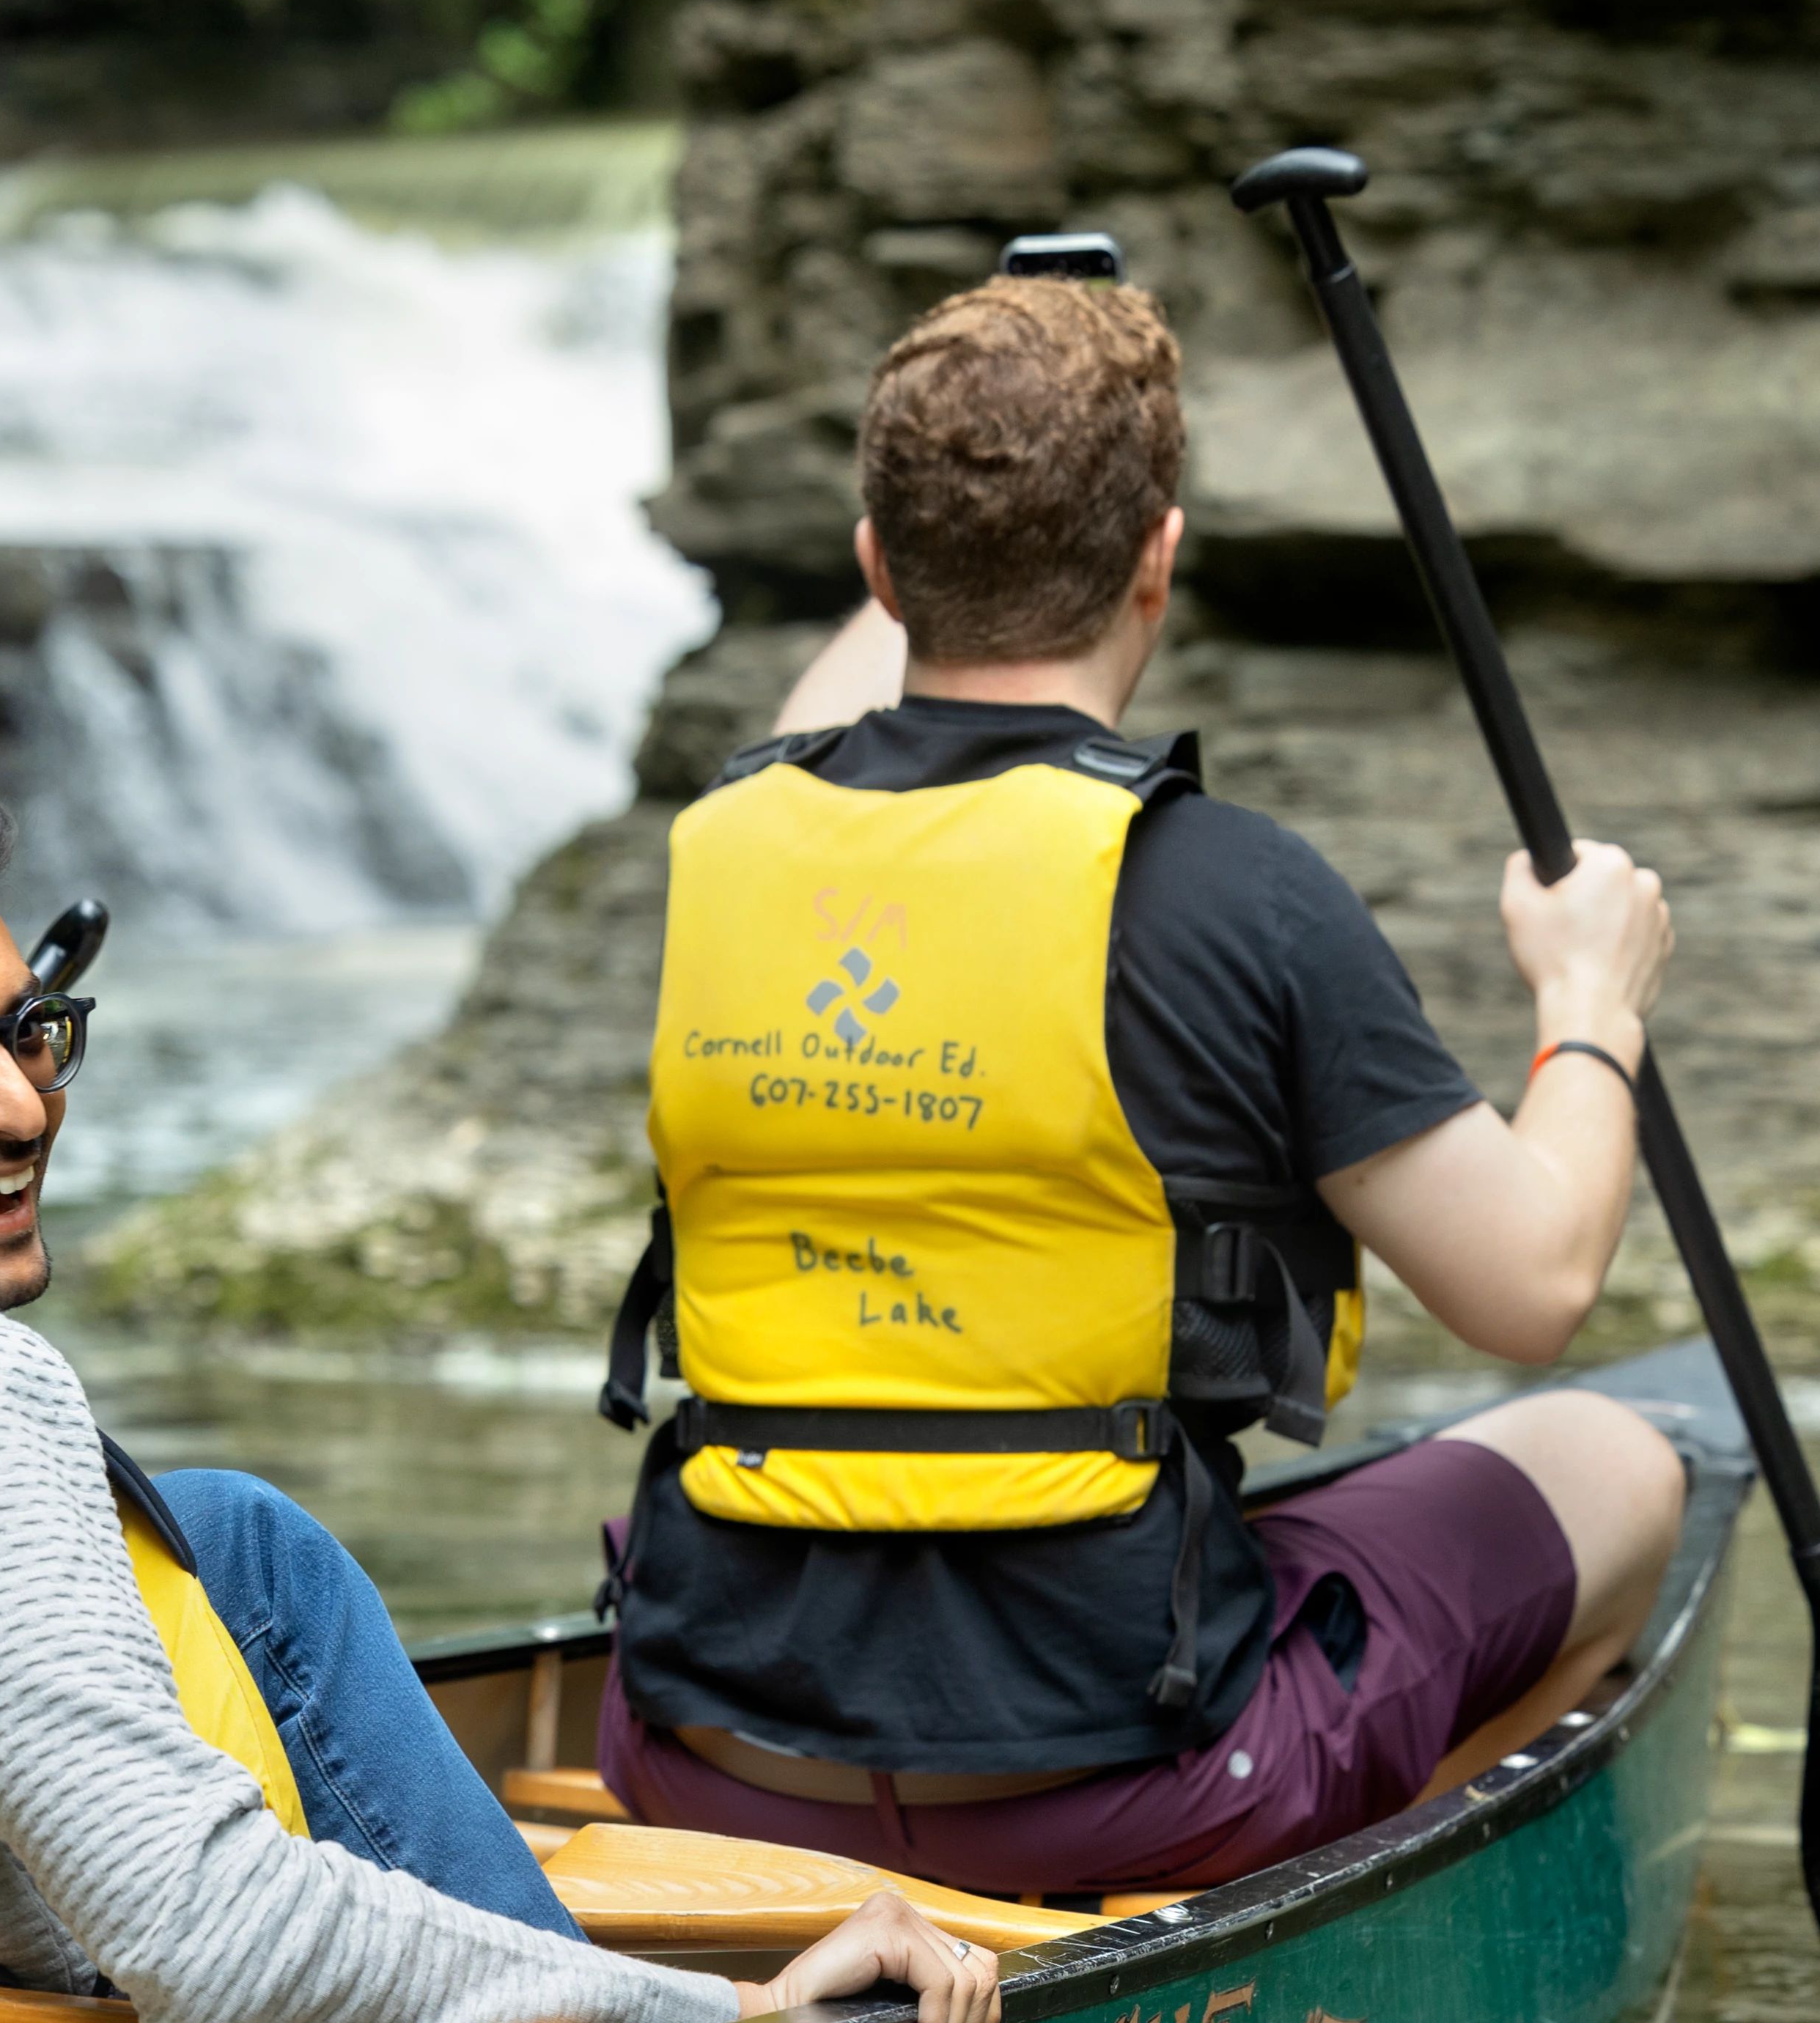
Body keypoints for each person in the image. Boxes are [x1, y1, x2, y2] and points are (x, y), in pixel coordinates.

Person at [0, 757, 1001, 2023]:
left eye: (28, 1032)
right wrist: (709, 2014)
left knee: (228, 1537)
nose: (20, 1110)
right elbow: (218, 1939)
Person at [595, 274, 1684, 1897]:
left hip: (704, 1759)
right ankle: (1322, 1898)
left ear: (876, 570)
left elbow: (823, 712)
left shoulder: (733, 842)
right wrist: (1587, 997)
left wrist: (960, 452)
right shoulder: (1237, 891)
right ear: (1157, 566)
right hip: (1121, 1781)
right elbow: (1530, 1286)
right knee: (1623, 1464)